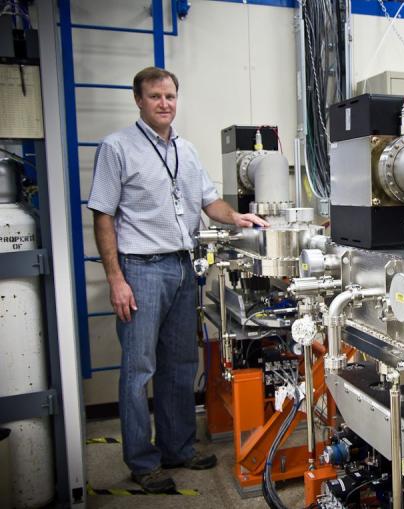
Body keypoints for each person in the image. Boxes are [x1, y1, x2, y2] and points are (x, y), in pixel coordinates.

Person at [88, 66, 269, 493]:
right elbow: (103, 216)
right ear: (139, 100)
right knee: (138, 369)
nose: (164, 104)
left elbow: (209, 202)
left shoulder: (185, 151)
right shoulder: (117, 148)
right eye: (155, 97)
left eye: (170, 96)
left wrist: (236, 217)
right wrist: (116, 278)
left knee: (180, 364)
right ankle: (143, 461)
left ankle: (178, 447)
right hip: (141, 269)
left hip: (183, 267)